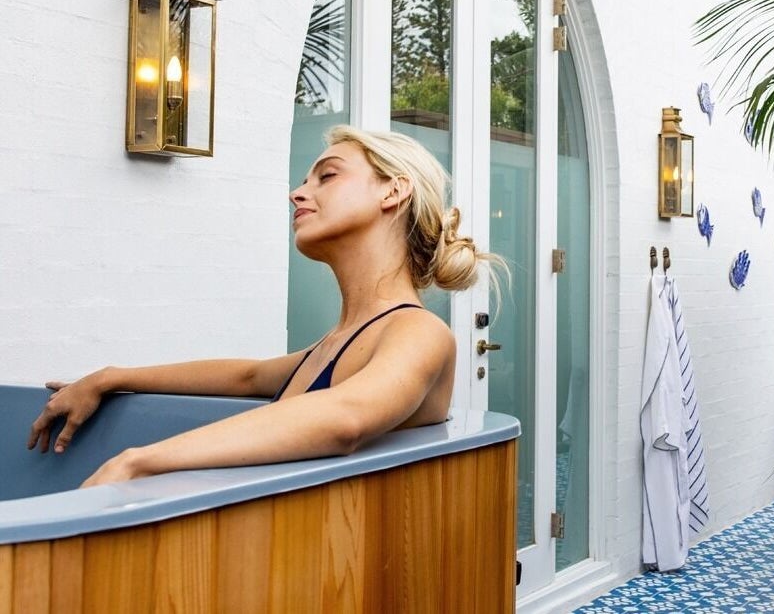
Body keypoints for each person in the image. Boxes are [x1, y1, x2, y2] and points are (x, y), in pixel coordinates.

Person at [27, 126, 497, 487]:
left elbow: (345, 419)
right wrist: (109, 377)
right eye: (304, 180)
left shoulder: (419, 333)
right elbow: (246, 377)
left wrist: (139, 461)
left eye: (327, 176)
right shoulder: (339, 342)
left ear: (392, 192)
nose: (298, 192)